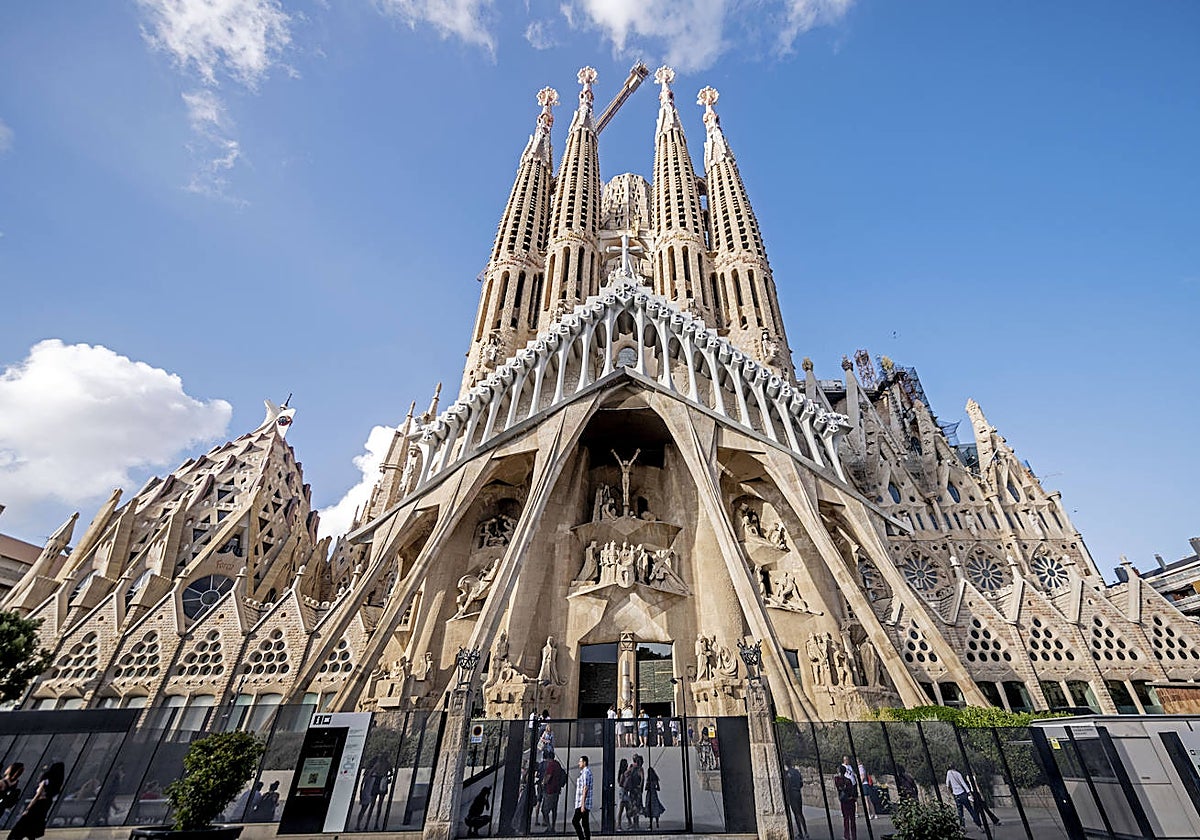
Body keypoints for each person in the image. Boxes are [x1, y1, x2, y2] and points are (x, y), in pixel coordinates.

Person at [7, 762, 64, 840]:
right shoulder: (57, 783)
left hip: (38, 803)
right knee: (33, 827)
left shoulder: (46, 780)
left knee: (21, 826)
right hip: (46, 804)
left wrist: (28, 808)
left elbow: (38, 795)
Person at [946, 765, 982, 829]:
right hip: (963, 793)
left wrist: (951, 793)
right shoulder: (958, 774)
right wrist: (969, 792)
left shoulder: (948, 773)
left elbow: (947, 784)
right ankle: (979, 825)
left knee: (960, 812)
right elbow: (963, 784)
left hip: (956, 795)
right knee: (970, 809)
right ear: (955, 767)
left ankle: (962, 827)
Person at [540, 750, 566, 832]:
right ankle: (553, 826)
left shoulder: (551, 765)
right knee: (554, 809)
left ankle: (549, 827)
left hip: (550, 790)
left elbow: (548, 777)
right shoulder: (557, 764)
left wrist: (543, 782)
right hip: (557, 790)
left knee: (545, 810)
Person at [783, 761, 808, 838]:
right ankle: (806, 832)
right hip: (798, 793)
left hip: (792, 794)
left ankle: (800, 833)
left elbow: (787, 785)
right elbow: (801, 783)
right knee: (800, 813)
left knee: (796, 814)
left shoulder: (787, 773)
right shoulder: (797, 772)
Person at [834, 764, 857, 840]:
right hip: (851, 800)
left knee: (846, 819)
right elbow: (852, 790)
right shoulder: (848, 780)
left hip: (845, 801)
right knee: (852, 819)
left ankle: (847, 836)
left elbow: (839, 787)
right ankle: (854, 836)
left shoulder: (838, 779)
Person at [622, 755, 645, 829]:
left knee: (634, 806)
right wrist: (641, 787)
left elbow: (626, 774)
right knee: (635, 806)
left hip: (634, 790)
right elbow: (642, 778)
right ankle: (635, 823)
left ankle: (635, 823)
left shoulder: (635, 768)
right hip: (635, 790)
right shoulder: (638, 768)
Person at [573, 756, 592, 840]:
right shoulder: (584, 772)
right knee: (585, 823)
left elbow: (585, 787)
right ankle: (587, 838)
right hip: (583, 802)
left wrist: (582, 804)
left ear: (584, 762)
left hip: (583, 802)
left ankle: (582, 838)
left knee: (575, 821)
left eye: (580, 762)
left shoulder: (586, 772)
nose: (578, 763)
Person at [644, 765, 665, 830]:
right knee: (655, 808)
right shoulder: (655, 780)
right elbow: (658, 788)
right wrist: (654, 788)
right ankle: (657, 823)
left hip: (650, 794)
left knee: (650, 808)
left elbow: (645, 788)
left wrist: (649, 786)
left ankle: (651, 824)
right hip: (654, 794)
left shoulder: (648, 780)